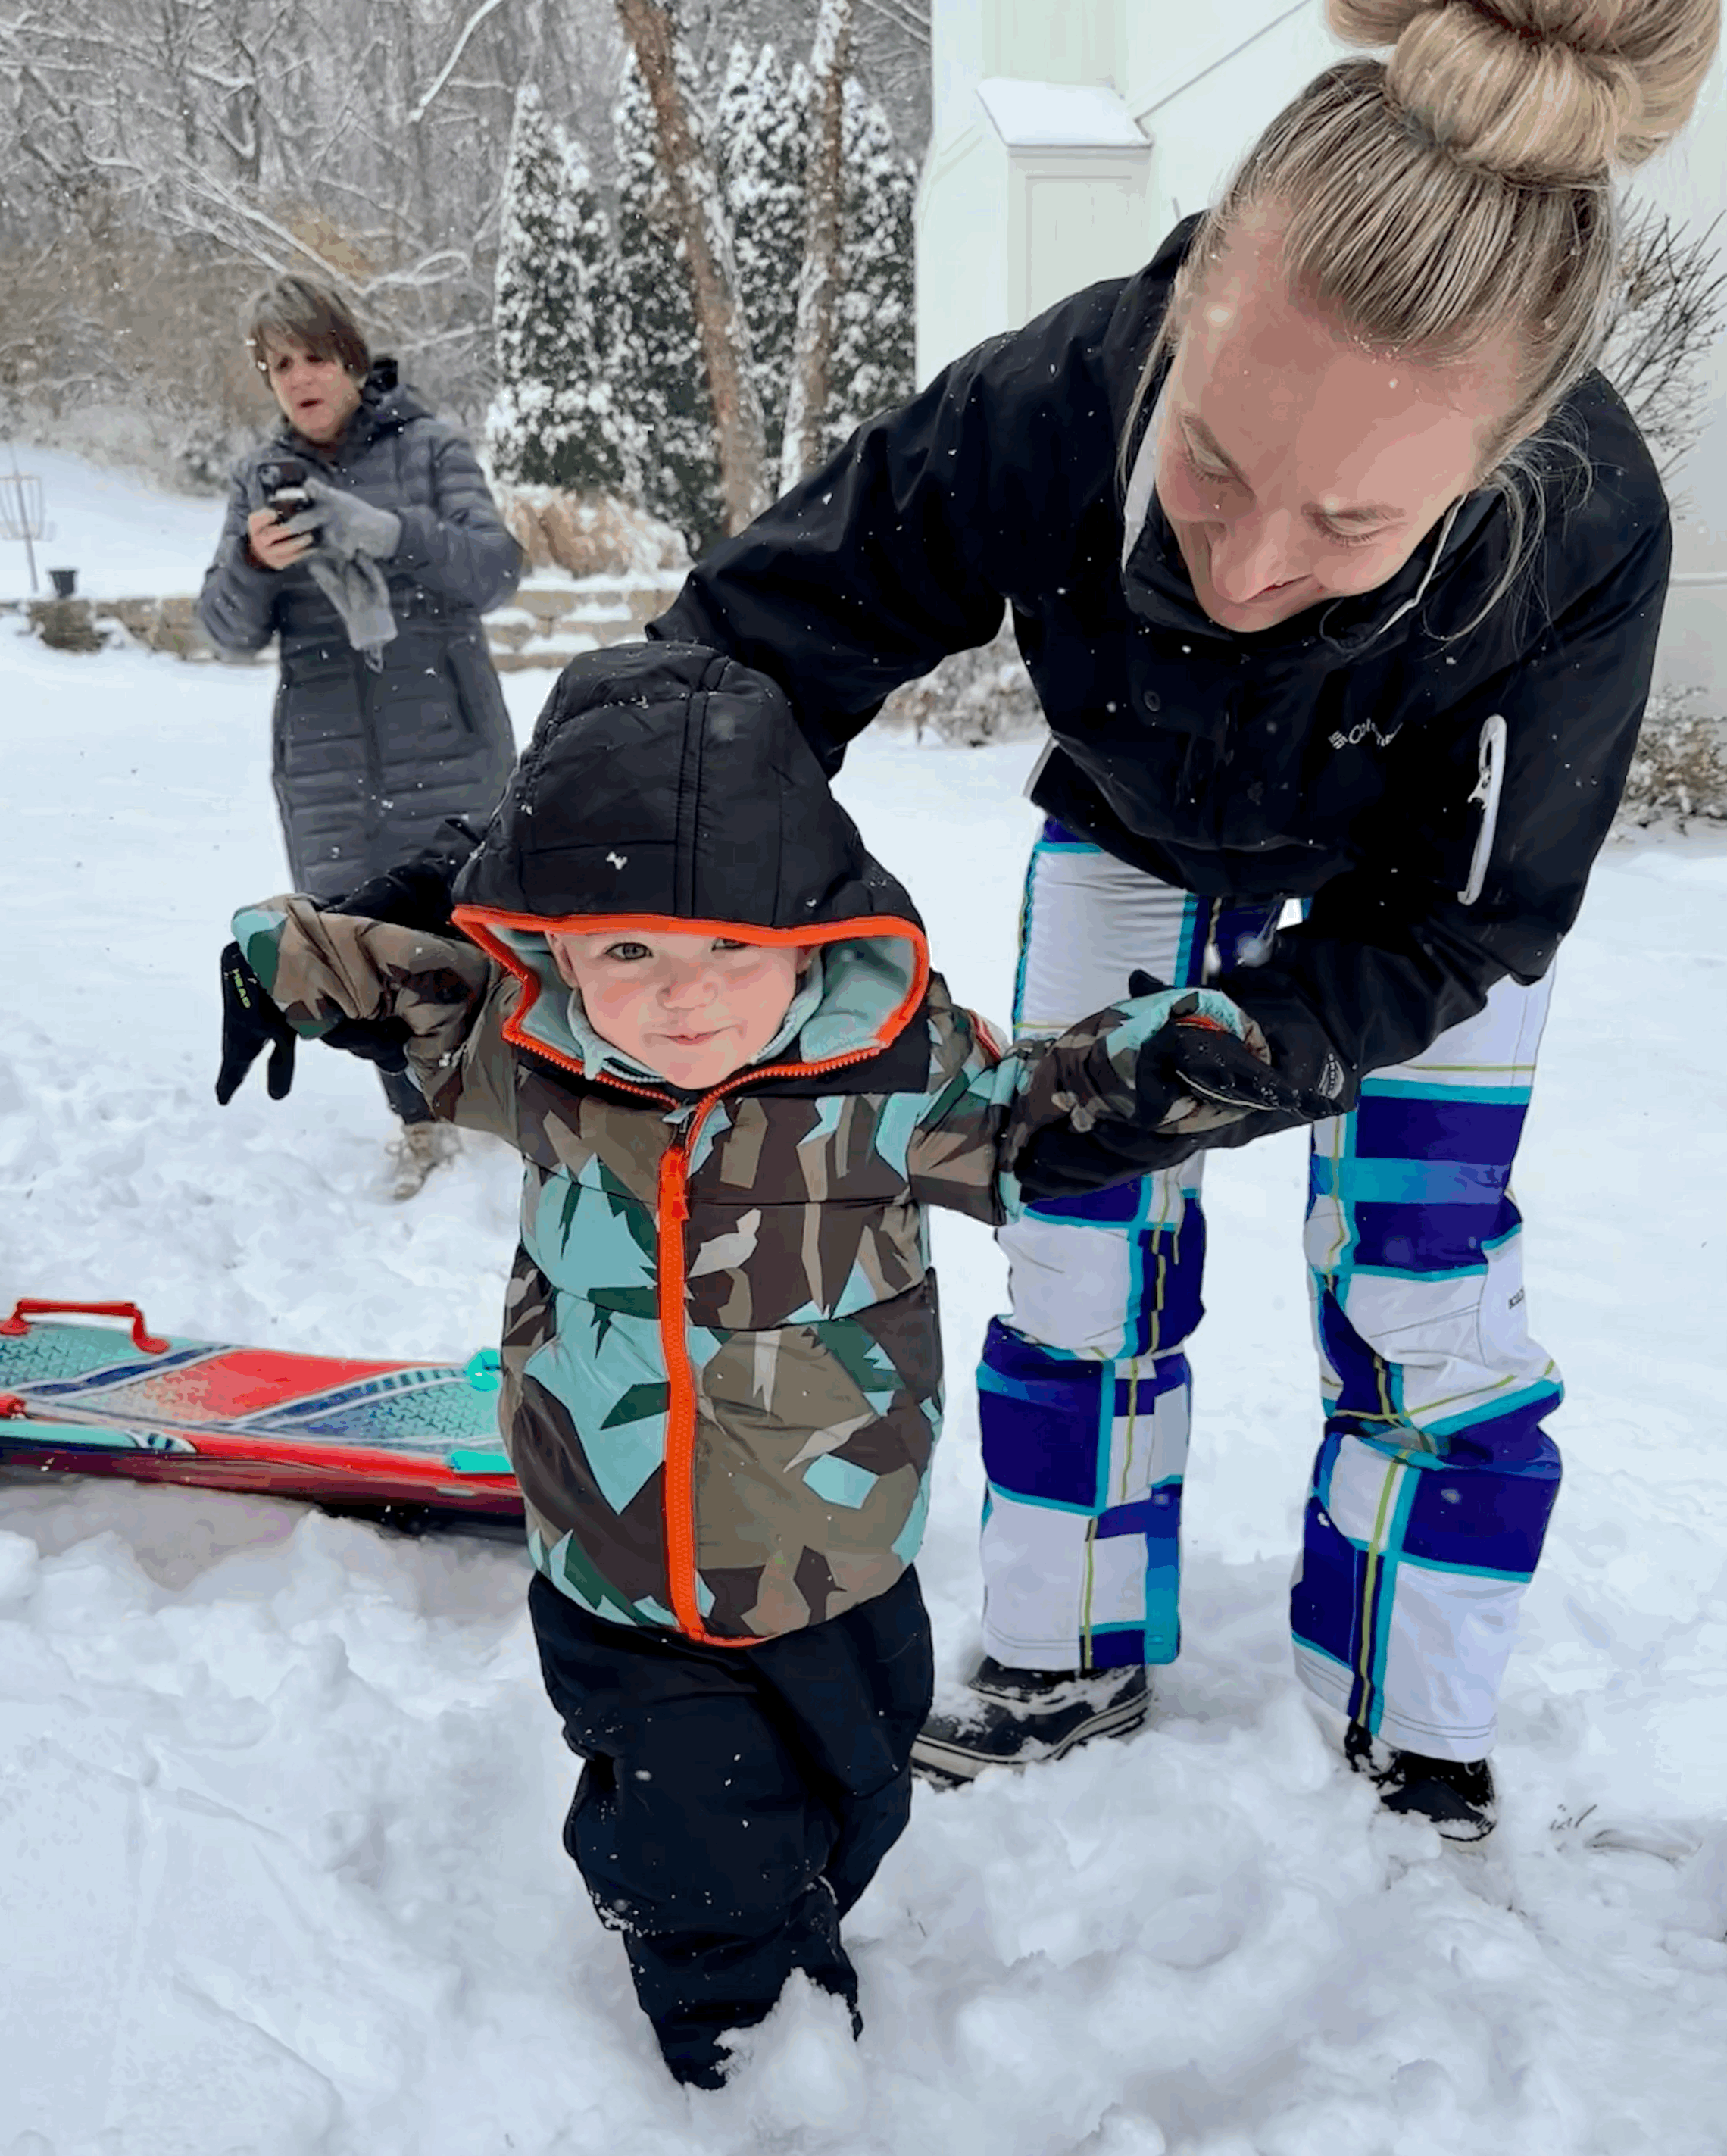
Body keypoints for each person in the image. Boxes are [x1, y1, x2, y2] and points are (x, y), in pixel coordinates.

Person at [642, 0, 1719, 1839]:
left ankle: (1411, 1716)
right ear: (1190, 304)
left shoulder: (1581, 524)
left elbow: (1473, 913)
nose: (1239, 566)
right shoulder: (1064, 391)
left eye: (1350, 518)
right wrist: (567, 868)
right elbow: (748, 656)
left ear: (1492, 466)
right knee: (1070, 1258)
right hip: (1135, 828)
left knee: (1422, 1293)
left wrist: (1230, 1054)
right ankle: (1064, 1653)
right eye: (1213, 459)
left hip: (1407, 914)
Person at [209, 640, 1319, 2086]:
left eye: (727, 949)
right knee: (694, 1854)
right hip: (616, 1565)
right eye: (626, 952)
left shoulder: (889, 1069)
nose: (679, 1000)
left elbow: (1037, 1102)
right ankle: (746, 2060)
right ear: (551, 946)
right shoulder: (530, 1050)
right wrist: (273, 961)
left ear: (806, 934)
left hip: (837, 1563)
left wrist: (1173, 1058)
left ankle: (795, 1901)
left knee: (853, 1801)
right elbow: (397, 977)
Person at [197, 274, 522, 1198]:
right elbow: (223, 629)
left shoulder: (430, 449)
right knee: (360, 946)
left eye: (312, 355)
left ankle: (514, 1103)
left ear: (348, 356)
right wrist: (253, 563)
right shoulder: (261, 479)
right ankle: (419, 1124)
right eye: (278, 364)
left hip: (451, 744)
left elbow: (495, 569)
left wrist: (388, 530)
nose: (298, 377)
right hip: (328, 762)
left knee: (484, 931)